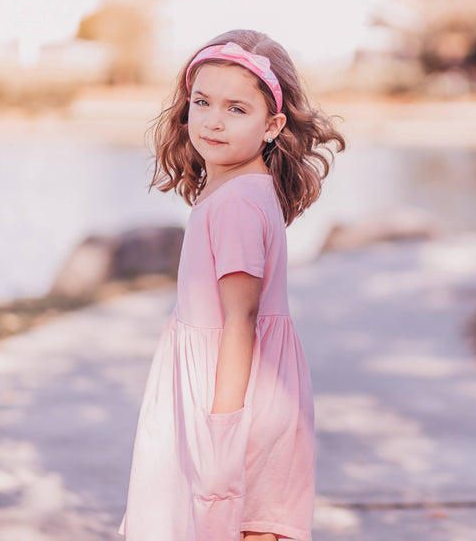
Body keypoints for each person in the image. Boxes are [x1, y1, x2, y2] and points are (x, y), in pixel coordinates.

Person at [118, 29, 345, 541]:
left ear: (273, 125)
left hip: (233, 400)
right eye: (202, 102)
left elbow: (240, 322)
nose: (214, 120)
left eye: (237, 109)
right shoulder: (237, 188)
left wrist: (221, 436)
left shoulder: (238, 203)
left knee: (231, 524)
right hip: (235, 388)